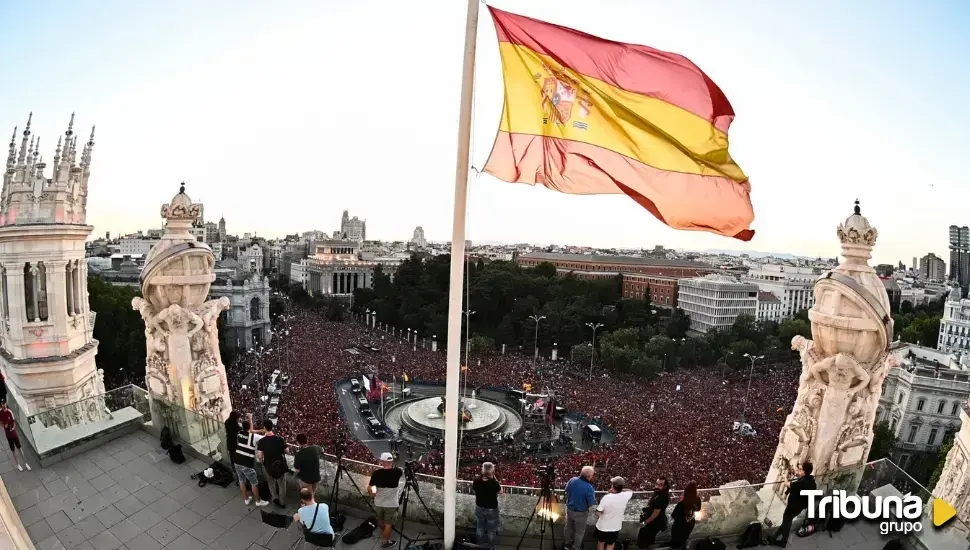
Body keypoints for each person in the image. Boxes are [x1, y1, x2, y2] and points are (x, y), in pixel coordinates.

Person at [773, 462, 816, 547]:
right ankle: (775, 536)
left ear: (803, 471)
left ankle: (783, 542)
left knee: (787, 521)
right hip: (800, 507)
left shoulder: (801, 483)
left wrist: (785, 477)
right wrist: (795, 474)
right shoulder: (812, 482)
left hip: (793, 506)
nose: (798, 470)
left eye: (800, 469)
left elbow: (787, 484)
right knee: (787, 520)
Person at [368, 452, 403, 549]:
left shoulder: (376, 473)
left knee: (380, 520)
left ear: (382, 462)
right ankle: (385, 542)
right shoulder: (398, 472)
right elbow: (398, 470)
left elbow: (370, 488)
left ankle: (384, 533)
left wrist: (373, 494)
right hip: (391, 504)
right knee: (388, 524)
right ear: (391, 461)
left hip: (378, 502)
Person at [233, 418, 269, 507]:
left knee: (241, 480)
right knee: (254, 483)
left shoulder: (239, 434)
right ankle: (258, 501)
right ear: (249, 428)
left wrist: (250, 420)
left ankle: (246, 499)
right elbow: (266, 438)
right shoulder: (254, 437)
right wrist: (264, 431)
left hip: (236, 460)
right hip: (246, 463)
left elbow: (250, 431)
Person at [594, 477, 633, 550]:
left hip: (603, 526)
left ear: (612, 486)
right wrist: (620, 489)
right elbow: (630, 490)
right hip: (615, 527)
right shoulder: (626, 495)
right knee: (611, 544)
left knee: (601, 542)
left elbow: (597, 512)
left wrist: (602, 517)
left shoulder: (606, 497)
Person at [256, 419, 288, 508]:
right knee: (282, 485)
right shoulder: (279, 439)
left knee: (271, 483)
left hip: (268, 466)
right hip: (279, 466)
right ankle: (282, 502)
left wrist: (263, 463)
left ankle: (274, 498)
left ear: (264, 428)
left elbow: (260, 456)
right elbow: (287, 451)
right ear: (272, 428)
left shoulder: (262, 441)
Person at [564, 466, 596, 550]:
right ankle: (576, 547)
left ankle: (567, 545)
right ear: (589, 476)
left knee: (568, 527)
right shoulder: (589, 487)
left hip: (569, 509)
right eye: (592, 475)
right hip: (581, 513)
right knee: (579, 532)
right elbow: (591, 503)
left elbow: (566, 490)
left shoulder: (572, 480)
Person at [472, 462, 502, 549]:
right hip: (491, 510)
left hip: (479, 508)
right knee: (491, 530)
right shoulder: (494, 483)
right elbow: (501, 491)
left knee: (480, 527)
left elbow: (475, 489)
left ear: (482, 471)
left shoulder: (476, 481)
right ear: (492, 473)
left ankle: (479, 546)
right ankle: (491, 547)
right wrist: (494, 478)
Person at [637, 477, 670, 548]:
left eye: (660, 485)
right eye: (657, 484)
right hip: (655, 521)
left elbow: (655, 514)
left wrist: (644, 523)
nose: (657, 486)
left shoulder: (661, 497)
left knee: (644, 542)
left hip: (653, 524)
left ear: (665, 486)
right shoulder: (659, 492)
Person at [668, 482, 700, 549]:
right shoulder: (697, 499)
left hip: (679, 526)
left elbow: (673, 515)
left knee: (676, 542)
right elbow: (698, 509)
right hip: (690, 523)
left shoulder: (681, 504)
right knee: (685, 538)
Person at [0, 401, 29, 471]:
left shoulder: (9, 412)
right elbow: (0, 423)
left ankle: (26, 463)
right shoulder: (0, 413)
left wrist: (13, 428)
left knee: (19, 448)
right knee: (13, 450)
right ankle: (18, 465)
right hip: (8, 434)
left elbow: (14, 421)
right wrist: (4, 425)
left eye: (4, 403)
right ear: (1, 404)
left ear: (6, 404)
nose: (4, 405)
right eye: (2, 404)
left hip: (13, 433)